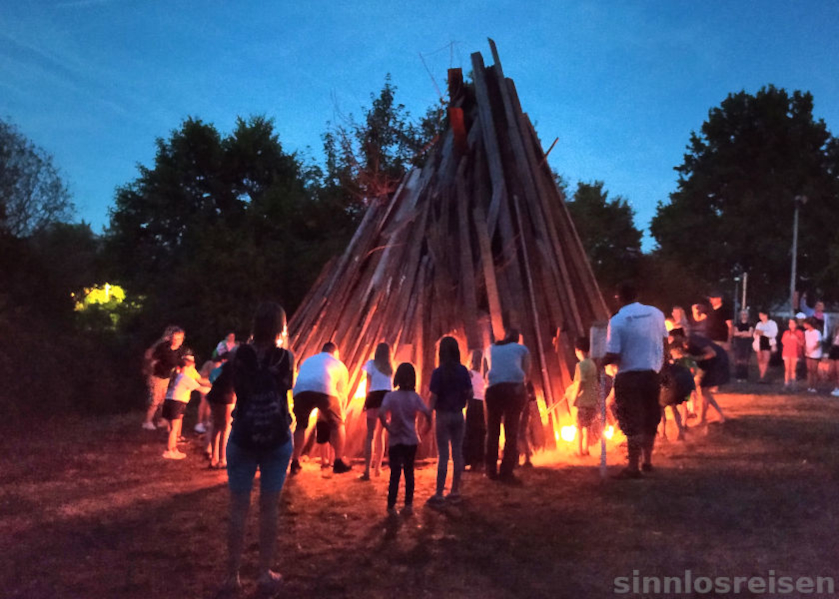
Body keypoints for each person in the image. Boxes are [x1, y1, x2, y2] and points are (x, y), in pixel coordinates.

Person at [223, 302, 294, 595]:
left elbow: (236, 387)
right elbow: (286, 388)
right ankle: (264, 573)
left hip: (243, 434)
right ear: (280, 326)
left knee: (238, 508)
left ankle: (231, 577)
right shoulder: (285, 357)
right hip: (276, 438)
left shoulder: (239, 354)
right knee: (269, 508)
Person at [604, 283, 667, 478]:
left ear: (618, 298)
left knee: (632, 420)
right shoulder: (656, 313)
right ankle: (647, 461)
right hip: (651, 374)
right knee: (650, 417)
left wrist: (598, 361)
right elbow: (665, 342)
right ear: (637, 294)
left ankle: (633, 467)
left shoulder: (618, 320)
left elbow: (613, 354)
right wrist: (664, 366)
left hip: (629, 375)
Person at [290, 342, 352, 475]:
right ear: (335, 353)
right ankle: (338, 461)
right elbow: (341, 394)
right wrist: (340, 413)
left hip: (301, 392)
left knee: (300, 425)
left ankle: (295, 461)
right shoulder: (339, 364)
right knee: (338, 424)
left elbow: (300, 378)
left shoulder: (309, 360)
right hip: (326, 390)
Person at [379, 363, 432, 516]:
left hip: (395, 439)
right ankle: (408, 505)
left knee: (394, 473)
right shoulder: (414, 397)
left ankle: (391, 506)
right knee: (409, 472)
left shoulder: (391, 396)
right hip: (411, 440)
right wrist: (424, 431)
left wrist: (388, 428)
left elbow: (381, 413)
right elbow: (428, 414)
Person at [427, 336, 472, 505]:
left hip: (443, 415)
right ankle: (455, 491)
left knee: (443, 455)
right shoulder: (463, 371)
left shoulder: (438, 373)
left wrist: (427, 416)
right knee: (457, 453)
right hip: (459, 414)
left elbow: (433, 397)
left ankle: (439, 494)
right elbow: (470, 393)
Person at [484, 327, 531, 483]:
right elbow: (527, 372)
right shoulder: (522, 349)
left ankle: (490, 469)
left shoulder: (490, 348)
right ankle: (506, 470)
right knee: (511, 431)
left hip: (493, 390)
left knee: (492, 430)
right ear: (517, 339)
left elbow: (486, 371)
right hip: (513, 390)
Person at [671, 330, 728, 426]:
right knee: (704, 391)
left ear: (679, 336)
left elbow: (712, 353)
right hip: (707, 364)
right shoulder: (684, 343)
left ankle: (701, 419)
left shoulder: (694, 340)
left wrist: (694, 359)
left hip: (717, 361)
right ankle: (719, 416)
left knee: (703, 391)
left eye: (673, 337)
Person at [162, 353, 211, 459]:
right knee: (173, 429)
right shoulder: (185, 378)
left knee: (173, 428)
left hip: (170, 402)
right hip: (176, 403)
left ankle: (174, 449)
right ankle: (169, 450)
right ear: (188, 367)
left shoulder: (176, 376)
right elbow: (201, 389)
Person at [360, 343, 393, 481]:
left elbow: (368, 383)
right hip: (387, 398)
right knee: (381, 434)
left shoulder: (370, 364)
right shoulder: (391, 367)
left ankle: (367, 470)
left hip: (374, 397)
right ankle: (378, 469)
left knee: (370, 435)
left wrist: (365, 402)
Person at [142, 326, 185, 430]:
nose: (176, 341)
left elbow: (180, 363)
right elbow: (151, 358)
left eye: (179, 339)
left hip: (167, 377)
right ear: (170, 338)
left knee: (164, 400)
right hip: (157, 376)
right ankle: (147, 422)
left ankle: (161, 421)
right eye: (174, 339)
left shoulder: (180, 350)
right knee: (155, 401)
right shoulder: (163, 348)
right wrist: (149, 370)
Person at [564, 336, 598, 456]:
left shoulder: (580, 366)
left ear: (577, 351)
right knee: (587, 427)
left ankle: (579, 451)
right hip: (591, 401)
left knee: (579, 427)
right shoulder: (592, 364)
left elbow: (580, 383)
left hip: (582, 401)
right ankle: (586, 449)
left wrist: (574, 398)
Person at [206, 352, 235, 469]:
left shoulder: (224, 367)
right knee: (225, 427)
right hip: (226, 397)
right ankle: (223, 459)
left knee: (216, 426)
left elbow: (212, 378)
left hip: (213, 396)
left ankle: (214, 458)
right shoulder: (237, 368)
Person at [463, 349, 487, 472]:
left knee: (472, 432)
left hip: (474, 404)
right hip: (479, 404)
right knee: (478, 432)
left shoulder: (471, 373)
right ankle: (477, 461)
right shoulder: (476, 374)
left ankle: (473, 461)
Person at [753, 309, 778, 383]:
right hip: (759, 343)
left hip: (767, 343)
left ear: (766, 315)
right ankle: (761, 373)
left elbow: (773, 334)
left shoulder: (772, 323)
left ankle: (763, 376)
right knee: (760, 359)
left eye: (762, 315)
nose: (761, 317)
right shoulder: (759, 324)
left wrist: (763, 333)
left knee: (765, 359)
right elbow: (756, 333)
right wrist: (758, 333)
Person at [781, 318, 805, 392]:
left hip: (795, 353)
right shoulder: (786, 332)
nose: (791, 325)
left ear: (796, 324)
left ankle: (793, 385)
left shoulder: (800, 333)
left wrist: (796, 339)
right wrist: (787, 337)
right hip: (787, 352)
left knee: (793, 369)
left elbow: (802, 344)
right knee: (787, 369)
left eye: (793, 323)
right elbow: (783, 342)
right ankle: (786, 384)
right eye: (790, 323)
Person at [732, 310, 754, 382]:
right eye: (742, 314)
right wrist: (744, 333)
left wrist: (740, 333)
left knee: (745, 360)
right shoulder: (737, 324)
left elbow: (750, 334)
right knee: (738, 360)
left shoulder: (750, 324)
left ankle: (744, 376)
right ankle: (738, 376)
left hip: (747, 343)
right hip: (738, 343)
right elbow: (735, 333)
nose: (744, 315)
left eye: (745, 314)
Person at [803, 317, 823, 393]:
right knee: (809, 370)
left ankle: (814, 386)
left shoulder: (817, 332)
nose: (804, 325)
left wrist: (812, 349)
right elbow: (805, 342)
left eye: (805, 323)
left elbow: (818, 343)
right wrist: (806, 349)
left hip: (815, 354)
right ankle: (809, 386)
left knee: (814, 370)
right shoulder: (806, 332)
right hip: (808, 353)